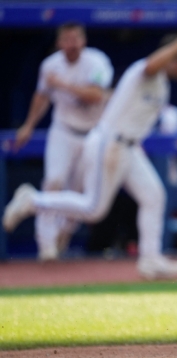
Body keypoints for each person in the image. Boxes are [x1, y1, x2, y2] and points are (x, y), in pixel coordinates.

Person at [3, 20, 177, 279]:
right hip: (108, 143)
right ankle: (33, 200)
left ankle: (150, 260)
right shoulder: (145, 71)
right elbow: (152, 64)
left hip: (129, 148)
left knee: (154, 196)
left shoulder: (163, 85)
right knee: (93, 209)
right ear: (169, 56)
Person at [14, 21, 113, 261]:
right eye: (66, 40)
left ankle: (62, 238)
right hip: (63, 130)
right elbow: (42, 96)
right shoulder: (50, 65)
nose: (72, 45)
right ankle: (45, 244)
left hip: (92, 134)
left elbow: (96, 95)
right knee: (54, 181)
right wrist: (28, 125)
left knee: (80, 194)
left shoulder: (97, 61)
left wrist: (62, 84)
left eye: (76, 39)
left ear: (84, 41)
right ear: (59, 43)